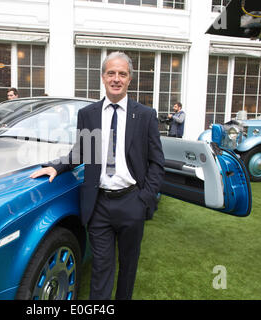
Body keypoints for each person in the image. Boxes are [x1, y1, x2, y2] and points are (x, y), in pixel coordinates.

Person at [30, 51, 165, 300]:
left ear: (129, 79)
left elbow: (157, 162)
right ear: (103, 77)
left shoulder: (145, 115)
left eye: (122, 74)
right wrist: (56, 167)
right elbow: (82, 151)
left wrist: (145, 198)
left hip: (132, 202)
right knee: (101, 269)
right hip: (99, 204)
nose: (116, 78)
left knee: (127, 267)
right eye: (111, 73)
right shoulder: (89, 114)